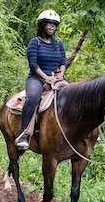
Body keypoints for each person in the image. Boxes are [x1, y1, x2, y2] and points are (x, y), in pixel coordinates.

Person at [15, 9, 67, 149]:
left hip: (56, 78)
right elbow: (33, 64)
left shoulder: (58, 44)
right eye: (49, 24)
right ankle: (24, 133)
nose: (52, 28)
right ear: (42, 25)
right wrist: (46, 79)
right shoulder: (35, 42)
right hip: (37, 78)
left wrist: (60, 75)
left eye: (54, 25)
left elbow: (63, 62)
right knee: (32, 97)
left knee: (74, 95)